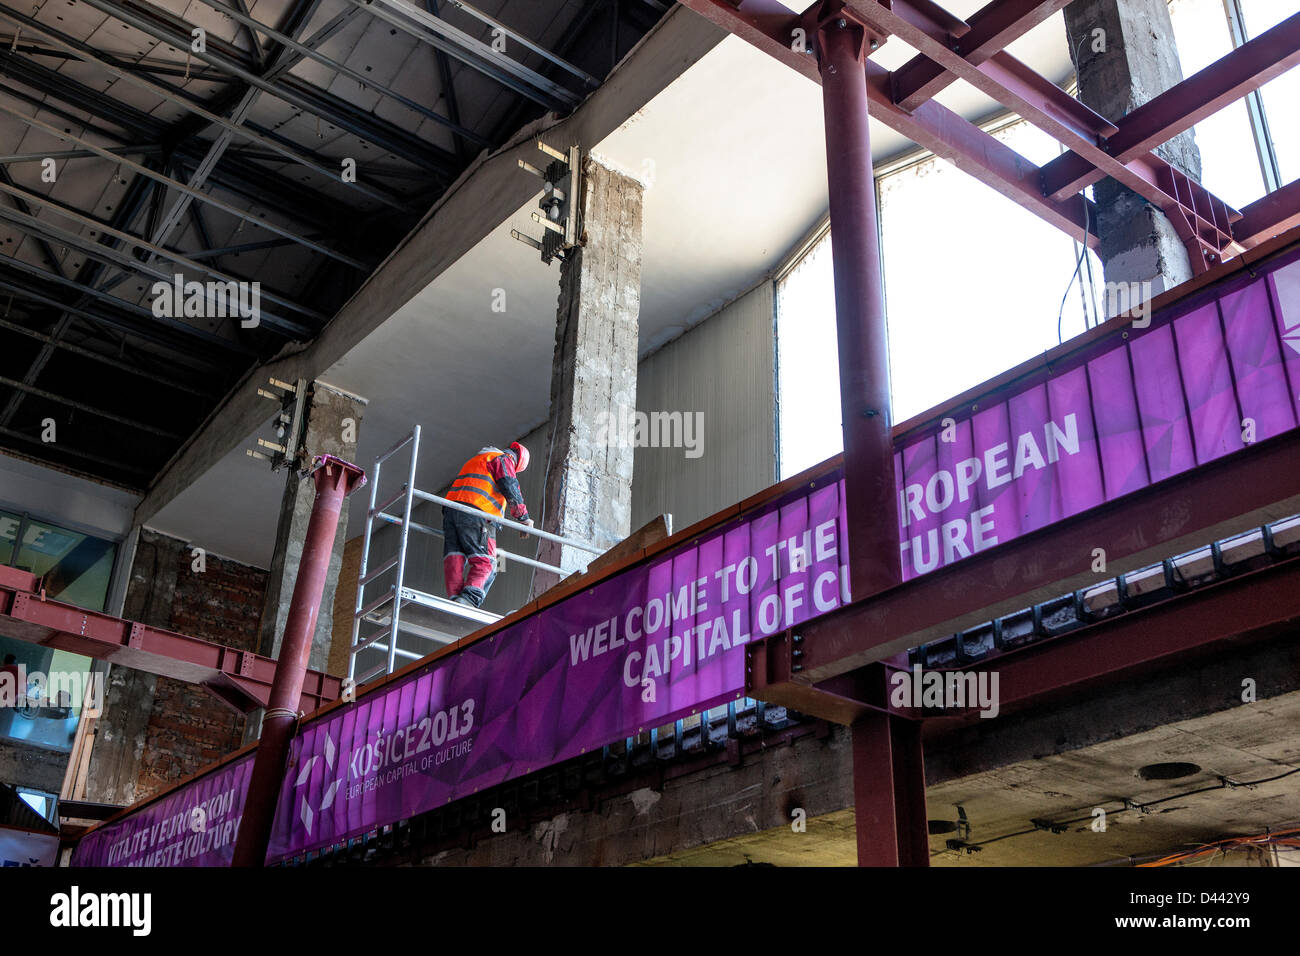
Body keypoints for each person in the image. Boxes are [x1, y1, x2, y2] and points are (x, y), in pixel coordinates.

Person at [442, 441, 534, 607]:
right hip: (477, 513)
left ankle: (455, 600)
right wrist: (523, 518)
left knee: (455, 557)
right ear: (517, 463)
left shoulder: (478, 460)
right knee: (491, 562)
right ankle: (469, 600)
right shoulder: (503, 460)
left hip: (451, 512)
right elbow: (510, 486)